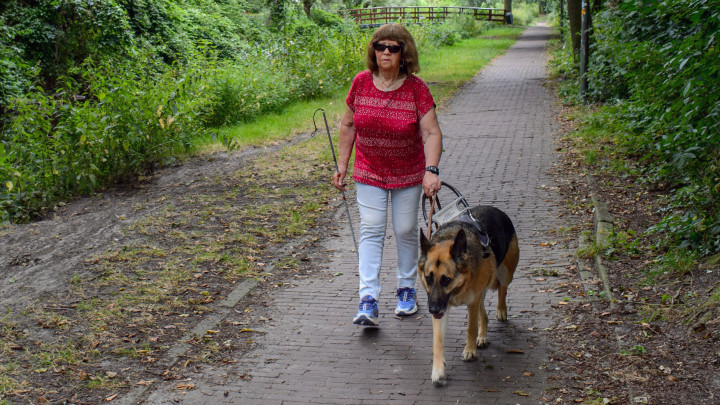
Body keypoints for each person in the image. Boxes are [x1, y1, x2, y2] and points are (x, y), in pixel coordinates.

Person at [332, 23, 443, 326]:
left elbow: (432, 133)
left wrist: (431, 171)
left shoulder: (416, 88)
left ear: (404, 54)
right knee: (371, 228)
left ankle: (406, 290)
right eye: (380, 46)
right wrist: (342, 164)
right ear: (373, 50)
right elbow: (348, 125)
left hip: (408, 172)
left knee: (406, 230)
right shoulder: (361, 83)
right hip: (369, 169)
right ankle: (368, 299)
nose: (385, 52)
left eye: (393, 48)